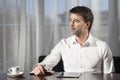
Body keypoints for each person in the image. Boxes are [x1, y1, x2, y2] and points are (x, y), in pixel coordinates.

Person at [32, 6, 114, 75]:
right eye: (70, 20)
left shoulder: (102, 47)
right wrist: (39, 66)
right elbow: (48, 63)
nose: (71, 24)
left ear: (87, 24)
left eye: (76, 21)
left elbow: (110, 76)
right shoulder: (63, 44)